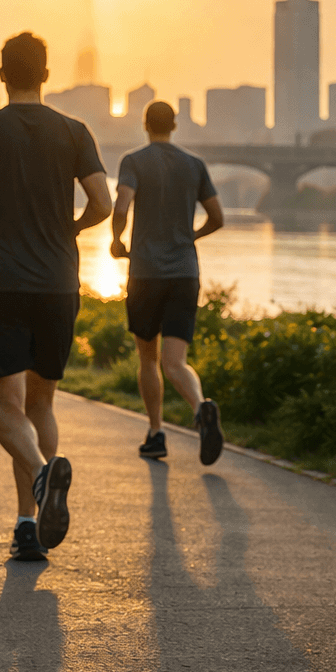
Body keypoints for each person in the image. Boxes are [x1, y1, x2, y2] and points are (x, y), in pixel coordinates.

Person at [0, 32, 112, 562]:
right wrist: (70, 229)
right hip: (59, 287)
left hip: (2, 286)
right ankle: (29, 526)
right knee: (40, 405)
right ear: (45, 74)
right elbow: (103, 204)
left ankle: (41, 479)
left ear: (1, 75)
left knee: (4, 412)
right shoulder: (75, 131)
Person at [109, 100, 226, 464]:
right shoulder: (195, 165)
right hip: (184, 274)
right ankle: (201, 406)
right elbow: (217, 218)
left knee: (148, 359)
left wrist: (117, 241)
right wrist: (190, 237)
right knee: (175, 363)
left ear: (145, 124)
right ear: (174, 125)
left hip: (145, 273)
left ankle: (156, 432)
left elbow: (122, 207)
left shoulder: (133, 161)